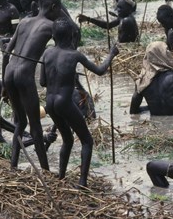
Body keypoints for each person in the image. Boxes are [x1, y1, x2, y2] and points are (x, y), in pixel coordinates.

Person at [41, 19, 118, 188]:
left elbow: (42, 82)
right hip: (64, 102)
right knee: (87, 141)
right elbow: (99, 71)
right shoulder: (74, 55)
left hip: (50, 102)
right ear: (72, 36)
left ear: (53, 36)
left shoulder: (47, 53)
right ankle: (82, 182)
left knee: (67, 140)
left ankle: (61, 177)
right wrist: (112, 54)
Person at [3, 0, 64, 171]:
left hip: (9, 72)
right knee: (35, 125)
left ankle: (13, 166)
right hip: (23, 75)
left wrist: (3, 87)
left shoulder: (23, 22)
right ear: (53, 8)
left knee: (20, 123)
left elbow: (6, 53)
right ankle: (45, 170)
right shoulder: (51, 26)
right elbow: (69, 41)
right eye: (58, 9)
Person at [130, 41, 173, 115]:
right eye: (167, 51)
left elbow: (133, 111)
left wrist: (150, 107)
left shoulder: (142, 80)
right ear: (164, 54)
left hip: (154, 124)